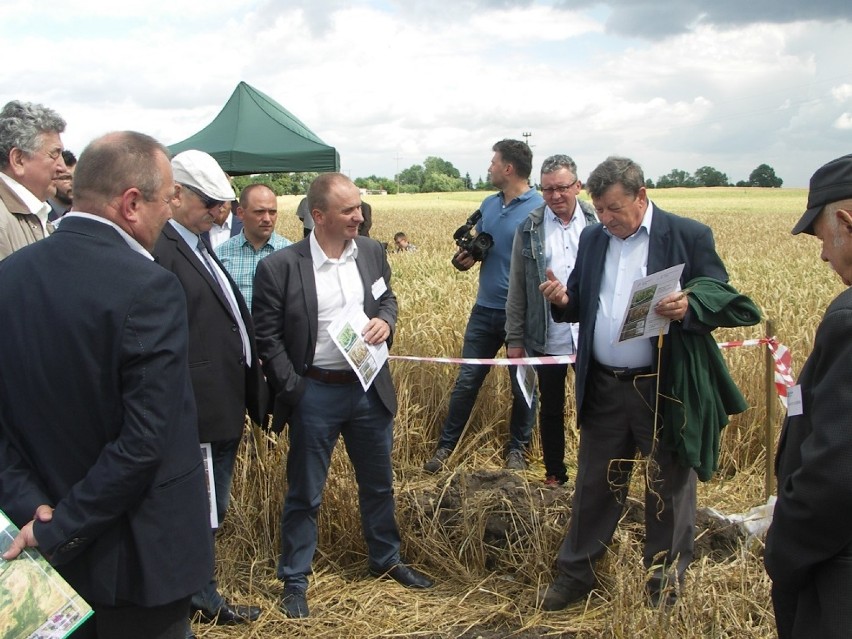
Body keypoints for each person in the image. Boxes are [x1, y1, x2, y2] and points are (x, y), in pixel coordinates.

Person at [0, 131, 214, 639]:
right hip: (136, 565)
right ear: (132, 203)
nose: (170, 215)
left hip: (32, 554)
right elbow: (144, 442)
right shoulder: (150, 287)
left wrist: (33, 510)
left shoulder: (8, 278)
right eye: (167, 201)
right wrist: (60, 527)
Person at [538, 156, 729, 609]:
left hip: (661, 385)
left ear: (641, 196)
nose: (605, 219)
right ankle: (576, 574)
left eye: (614, 209)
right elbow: (583, 301)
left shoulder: (688, 235)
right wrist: (565, 300)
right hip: (605, 384)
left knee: (667, 486)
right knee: (594, 483)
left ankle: (664, 584)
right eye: (599, 209)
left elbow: (718, 294)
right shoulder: (594, 238)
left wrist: (690, 307)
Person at [253, 172, 434, 620]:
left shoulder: (371, 252)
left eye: (359, 207)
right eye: (349, 210)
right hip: (315, 393)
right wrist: (295, 390)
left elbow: (387, 298)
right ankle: (294, 578)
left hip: (368, 390)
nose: (360, 216)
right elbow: (268, 338)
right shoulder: (280, 266)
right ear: (319, 216)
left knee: (377, 483)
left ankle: (385, 558)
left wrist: (386, 322)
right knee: (305, 492)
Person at [153, 150, 266, 634]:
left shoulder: (198, 243)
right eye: (211, 203)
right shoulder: (164, 250)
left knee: (211, 509)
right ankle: (194, 600)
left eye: (224, 204)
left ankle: (199, 593)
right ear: (176, 195)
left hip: (219, 403)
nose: (222, 213)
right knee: (198, 511)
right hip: (196, 409)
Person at [765, 153, 852, 638]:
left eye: (822, 238)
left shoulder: (849, 319)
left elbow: (837, 476)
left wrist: (784, 550)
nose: (823, 255)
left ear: (845, 221)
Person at [424, 139, 544, 473]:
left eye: (493, 162)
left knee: (522, 385)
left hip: (520, 315)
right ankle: (446, 448)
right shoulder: (488, 205)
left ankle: (517, 452)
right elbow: (484, 250)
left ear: (508, 168)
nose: (489, 167)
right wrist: (468, 259)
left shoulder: (540, 207)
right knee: (467, 380)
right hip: (484, 309)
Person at [505, 154, 598, 486]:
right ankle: (555, 473)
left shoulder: (597, 220)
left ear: (577, 186)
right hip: (548, 334)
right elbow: (517, 286)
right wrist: (515, 339)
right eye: (547, 190)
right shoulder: (529, 227)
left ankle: (594, 473)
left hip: (591, 333)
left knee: (595, 406)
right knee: (551, 408)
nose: (555, 196)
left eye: (561, 188)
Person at [0, 100, 67, 259]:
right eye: (54, 154)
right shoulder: (3, 220)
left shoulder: (38, 213)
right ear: (18, 160)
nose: (63, 167)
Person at [215, 183, 292, 307]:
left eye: (272, 212)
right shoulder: (220, 255)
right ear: (240, 213)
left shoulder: (291, 254)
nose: (267, 218)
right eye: (259, 212)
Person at [47, 149, 77, 221]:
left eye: (78, 177)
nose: (74, 183)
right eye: (66, 178)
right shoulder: (40, 215)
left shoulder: (86, 213)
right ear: (52, 179)